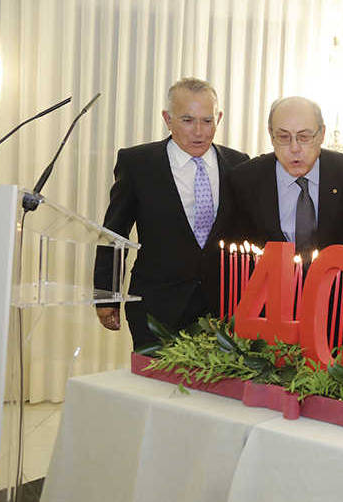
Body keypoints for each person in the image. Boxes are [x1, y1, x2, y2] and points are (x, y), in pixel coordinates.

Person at [93, 77, 250, 349]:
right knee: (152, 389)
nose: (199, 132)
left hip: (221, 311)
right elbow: (114, 233)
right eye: (187, 120)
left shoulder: (239, 165)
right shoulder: (138, 163)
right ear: (168, 118)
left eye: (207, 120)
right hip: (157, 307)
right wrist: (106, 295)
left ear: (219, 118)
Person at [228, 97, 343, 254]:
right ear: (271, 135)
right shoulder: (245, 180)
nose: (294, 148)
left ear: (322, 134)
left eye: (304, 137)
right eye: (284, 137)